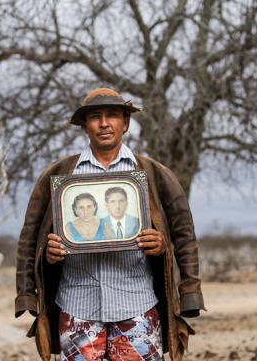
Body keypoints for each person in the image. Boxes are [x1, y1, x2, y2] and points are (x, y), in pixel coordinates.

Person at [16, 87, 204, 361]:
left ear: (125, 123)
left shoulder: (153, 173)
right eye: (95, 117)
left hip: (137, 306)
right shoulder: (59, 176)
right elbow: (29, 237)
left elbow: (185, 236)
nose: (104, 123)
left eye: (112, 115)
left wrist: (163, 247)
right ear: (84, 126)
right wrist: (47, 255)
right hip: (76, 308)